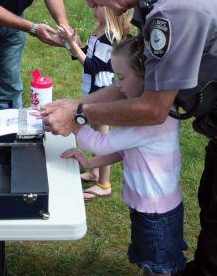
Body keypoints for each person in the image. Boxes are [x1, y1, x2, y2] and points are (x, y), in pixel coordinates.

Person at [38, 0, 217, 276]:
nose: (90, 5)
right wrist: (78, 103)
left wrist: (79, 113)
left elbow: (152, 108)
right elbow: (138, 81)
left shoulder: (172, 9)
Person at [62, 35, 186, 276]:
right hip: (160, 207)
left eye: (121, 78)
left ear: (145, 76)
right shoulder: (165, 111)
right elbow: (124, 151)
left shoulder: (144, 124)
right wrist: (91, 163)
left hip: (154, 214)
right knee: (157, 261)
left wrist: (74, 121)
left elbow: (100, 143)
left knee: (159, 266)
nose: (117, 86)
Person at [56, 6, 131, 200]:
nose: (92, 7)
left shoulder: (110, 37)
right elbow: (83, 55)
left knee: (102, 140)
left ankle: (104, 184)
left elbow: (93, 66)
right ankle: (94, 173)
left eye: (98, 5)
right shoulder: (98, 31)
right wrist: (69, 43)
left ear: (110, 12)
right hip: (93, 91)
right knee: (97, 135)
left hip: (102, 93)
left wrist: (73, 45)